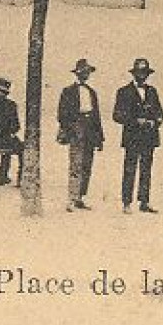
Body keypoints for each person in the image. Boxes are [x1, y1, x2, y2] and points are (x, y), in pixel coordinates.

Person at [112, 58, 163, 215]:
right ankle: (126, 203)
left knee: (146, 169)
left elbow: (160, 113)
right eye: (140, 73)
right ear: (134, 74)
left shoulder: (152, 91)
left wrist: (154, 122)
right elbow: (117, 115)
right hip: (132, 137)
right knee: (130, 169)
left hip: (149, 137)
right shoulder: (123, 92)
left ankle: (144, 202)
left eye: (145, 73)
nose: (142, 76)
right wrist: (136, 121)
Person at [56, 58, 104, 212]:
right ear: (77, 73)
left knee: (87, 165)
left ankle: (81, 197)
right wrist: (70, 128)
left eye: (87, 72)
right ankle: (71, 198)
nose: (85, 74)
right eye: (83, 71)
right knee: (76, 164)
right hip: (76, 129)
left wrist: (100, 137)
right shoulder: (68, 91)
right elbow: (62, 114)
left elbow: (97, 116)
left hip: (90, 129)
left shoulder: (92, 92)